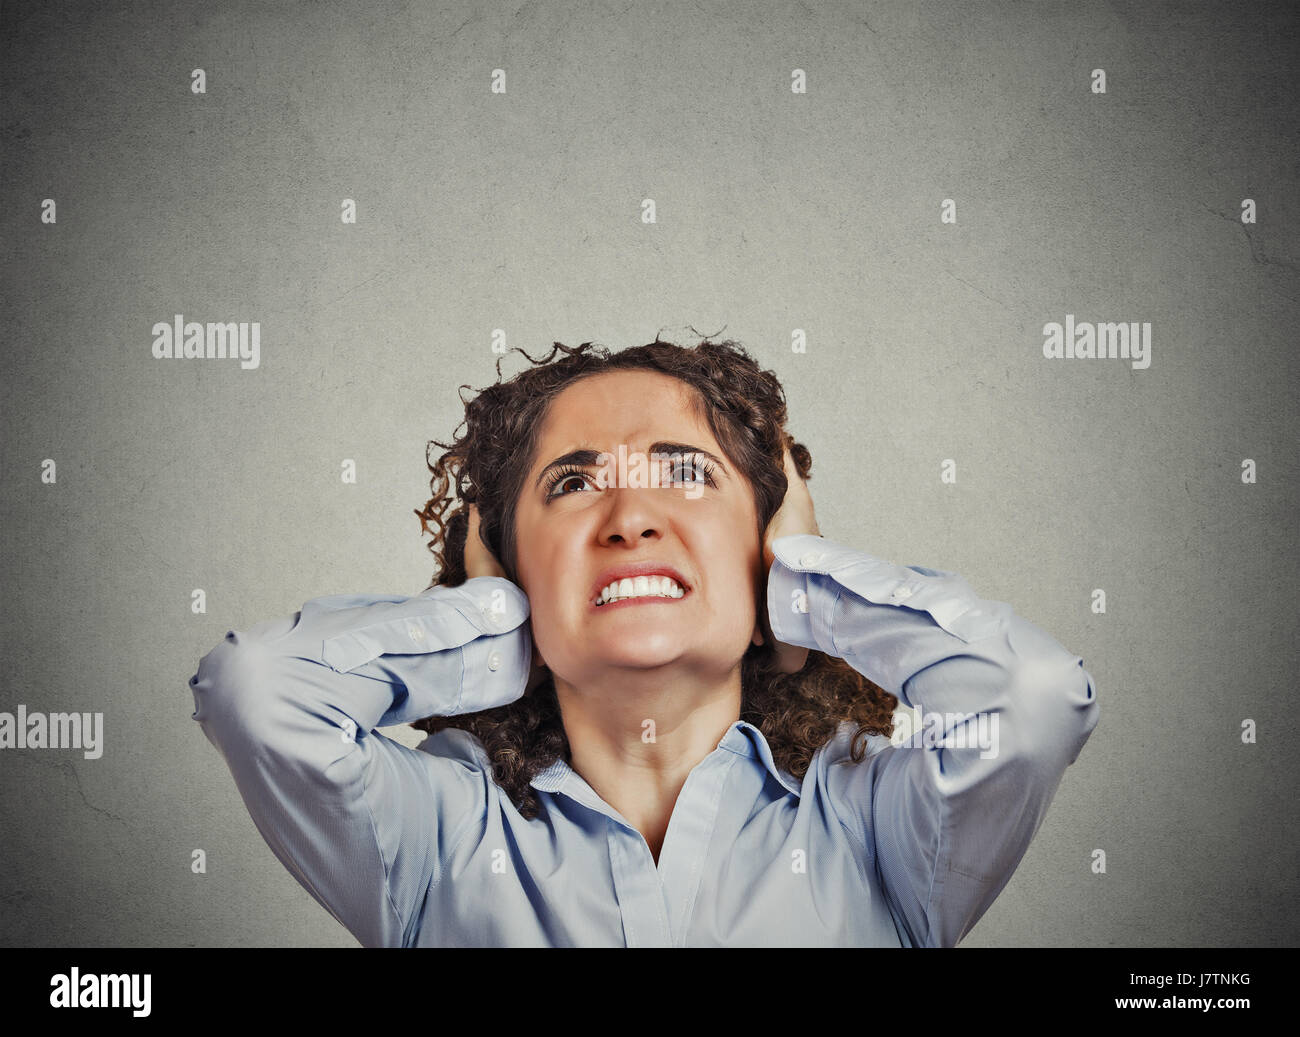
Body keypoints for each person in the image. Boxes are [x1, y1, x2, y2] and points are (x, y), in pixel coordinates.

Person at [189, 336, 1100, 947]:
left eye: (684, 472)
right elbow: (260, 692)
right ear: (510, 564)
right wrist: (489, 635)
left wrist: (805, 592)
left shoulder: (874, 828)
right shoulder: (435, 834)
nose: (631, 517)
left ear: (766, 538)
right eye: (574, 483)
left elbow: (1030, 701)